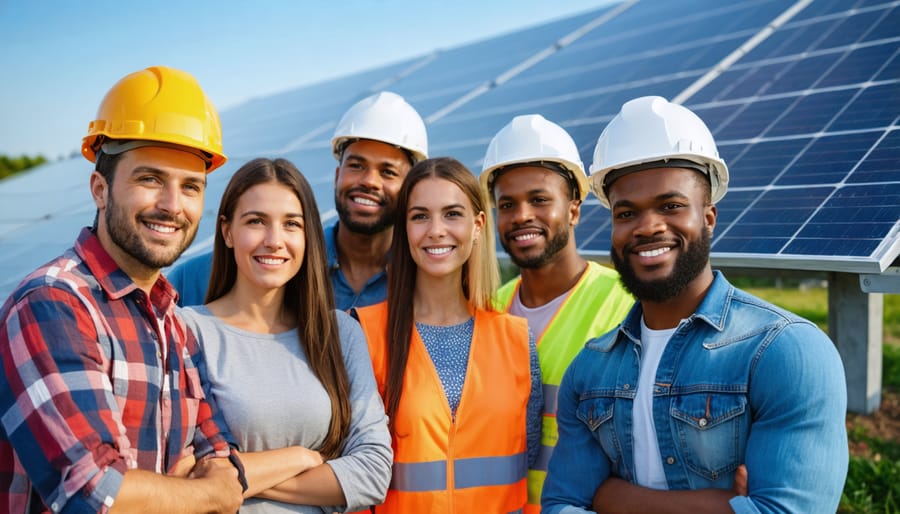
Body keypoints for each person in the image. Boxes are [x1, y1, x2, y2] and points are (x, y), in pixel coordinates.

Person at [541, 96, 849, 513]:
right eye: (626, 212)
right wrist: (722, 504)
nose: (647, 227)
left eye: (670, 206)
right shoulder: (590, 370)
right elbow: (561, 505)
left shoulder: (785, 353)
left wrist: (611, 497)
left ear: (708, 217)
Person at [0, 66, 247, 513]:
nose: (173, 206)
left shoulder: (173, 321)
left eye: (191, 186)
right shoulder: (51, 304)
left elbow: (224, 459)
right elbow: (93, 494)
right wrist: (202, 494)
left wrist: (158, 492)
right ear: (100, 188)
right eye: (150, 179)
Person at [178, 157, 392, 513]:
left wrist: (236, 479)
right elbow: (184, 474)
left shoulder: (340, 334)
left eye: (291, 224)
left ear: (307, 235)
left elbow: (373, 473)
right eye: (256, 222)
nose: (274, 241)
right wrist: (303, 457)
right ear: (228, 232)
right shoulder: (187, 331)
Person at [353, 157, 543, 513]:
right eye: (420, 216)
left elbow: (526, 454)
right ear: (404, 227)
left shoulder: (516, 339)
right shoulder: (364, 333)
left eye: (452, 214)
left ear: (478, 224)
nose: (436, 230)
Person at [479, 114, 634, 513]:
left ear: (574, 210)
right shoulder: (486, 309)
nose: (521, 216)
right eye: (507, 205)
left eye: (540, 199)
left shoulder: (625, 303)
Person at [169, 91, 428, 310]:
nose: (369, 181)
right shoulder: (198, 278)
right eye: (356, 165)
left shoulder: (426, 279)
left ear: (411, 188)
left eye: (388, 172)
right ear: (338, 175)